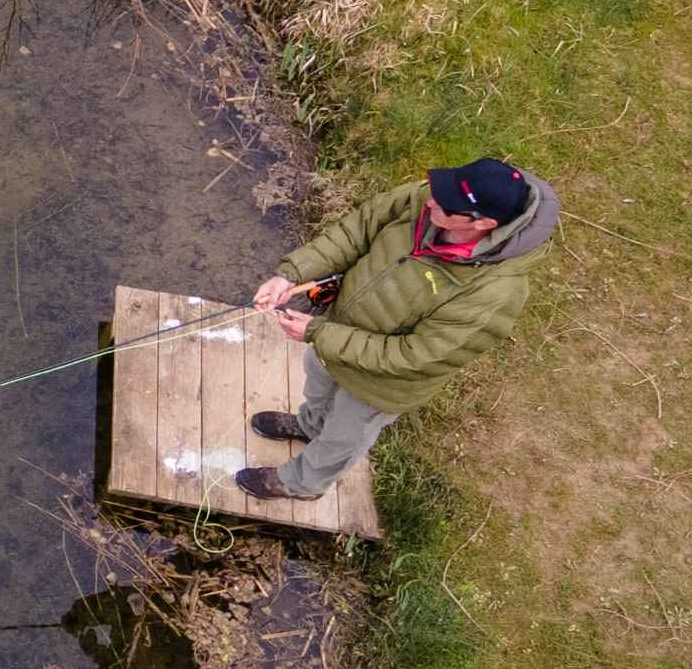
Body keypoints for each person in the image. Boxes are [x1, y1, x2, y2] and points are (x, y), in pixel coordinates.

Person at [234, 155, 560, 502]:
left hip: (382, 383)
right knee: (317, 380)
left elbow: (414, 356)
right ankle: (310, 426)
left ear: (484, 223)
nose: (431, 200)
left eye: (446, 205)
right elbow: (357, 231)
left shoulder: (494, 293)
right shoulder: (426, 199)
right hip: (337, 332)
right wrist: (292, 275)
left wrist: (320, 333)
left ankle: (301, 483)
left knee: (344, 435)